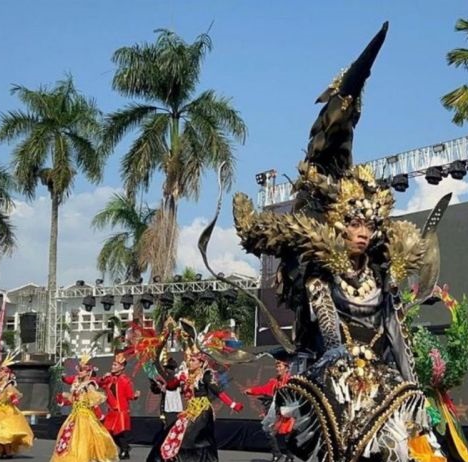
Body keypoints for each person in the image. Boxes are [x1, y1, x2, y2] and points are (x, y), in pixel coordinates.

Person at [234, 23, 447, 462]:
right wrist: (338, 355)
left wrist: (414, 383)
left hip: (379, 380)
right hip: (331, 373)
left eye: (369, 226)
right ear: (341, 226)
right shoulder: (321, 270)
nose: (363, 232)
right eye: (355, 224)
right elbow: (327, 321)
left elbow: (394, 333)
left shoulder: (379, 273)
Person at [159, 345, 244, 462]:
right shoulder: (185, 374)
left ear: (200, 363)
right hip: (190, 410)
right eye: (189, 360)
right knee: (178, 433)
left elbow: (217, 391)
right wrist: (173, 381)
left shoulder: (206, 375)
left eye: (193, 360)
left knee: (192, 436)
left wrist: (233, 404)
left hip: (202, 411)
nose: (190, 362)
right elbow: (172, 386)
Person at [51, 354, 118, 462]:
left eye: (82, 370)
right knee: (70, 440)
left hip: (85, 417)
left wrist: (99, 415)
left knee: (84, 441)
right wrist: (63, 401)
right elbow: (74, 400)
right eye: (79, 369)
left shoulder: (89, 385)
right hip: (74, 416)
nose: (79, 372)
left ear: (88, 372)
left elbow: (93, 402)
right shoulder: (77, 383)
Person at [244, 352, 295, 462]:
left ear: (286, 368)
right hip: (277, 412)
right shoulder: (274, 382)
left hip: (288, 412)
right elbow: (264, 389)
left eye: (279, 366)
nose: (277, 368)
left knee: (288, 435)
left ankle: (290, 456)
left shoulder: (291, 381)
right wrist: (251, 390)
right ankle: (277, 454)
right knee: (269, 430)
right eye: (276, 366)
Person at [100, 352, 140, 460]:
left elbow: (130, 395)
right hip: (111, 411)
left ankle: (124, 450)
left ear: (122, 367)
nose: (112, 367)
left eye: (115, 365)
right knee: (109, 432)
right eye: (113, 365)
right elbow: (101, 384)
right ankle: (125, 448)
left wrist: (135, 395)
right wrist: (104, 378)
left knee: (119, 433)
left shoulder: (125, 380)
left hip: (121, 410)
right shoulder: (110, 379)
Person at [146, 352, 183, 462]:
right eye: (167, 369)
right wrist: (155, 383)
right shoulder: (166, 379)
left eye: (170, 369)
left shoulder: (175, 378)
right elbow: (157, 389)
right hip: (168, 407)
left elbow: (172, 386)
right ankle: (168, 453)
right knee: (169, 430)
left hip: (175, 408)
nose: (168, 371)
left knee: (171, 430)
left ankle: (170, 453)